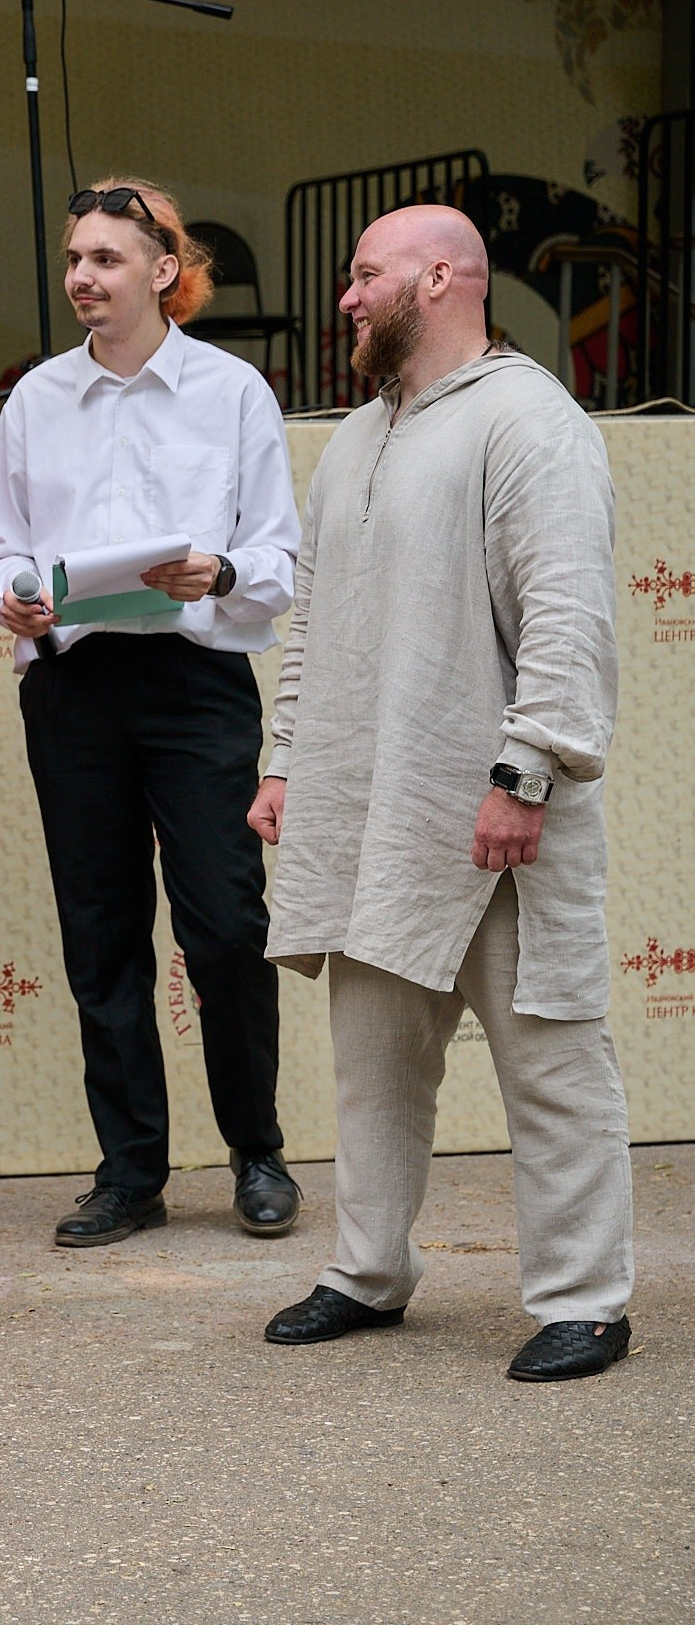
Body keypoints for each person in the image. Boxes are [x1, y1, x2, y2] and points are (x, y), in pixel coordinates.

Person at [255, 205, 634, 1383]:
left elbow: (568, 615)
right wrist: (283, 762)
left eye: (365, 276)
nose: (348, 299)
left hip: (496, 817)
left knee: (552, 1063)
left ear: (441, 276)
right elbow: (311, 620)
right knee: (371, 1063)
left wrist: (525, 775)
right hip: (367, 813)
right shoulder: (359, 437)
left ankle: (585, 1298)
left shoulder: (530, 421)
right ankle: (366, 1271)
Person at [0, 176, 304, 1248]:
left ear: (164, 270)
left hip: (195, 684)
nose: (81, 278)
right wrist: (15, 591)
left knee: (225, 928)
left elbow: (277, 559)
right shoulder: (35, 398)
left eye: (104, 259)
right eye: (73, 259)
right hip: (74, 685)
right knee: (100, 936)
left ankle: (256, 1150)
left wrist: (217, 571)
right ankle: (129, 1173)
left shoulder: (232, 392)